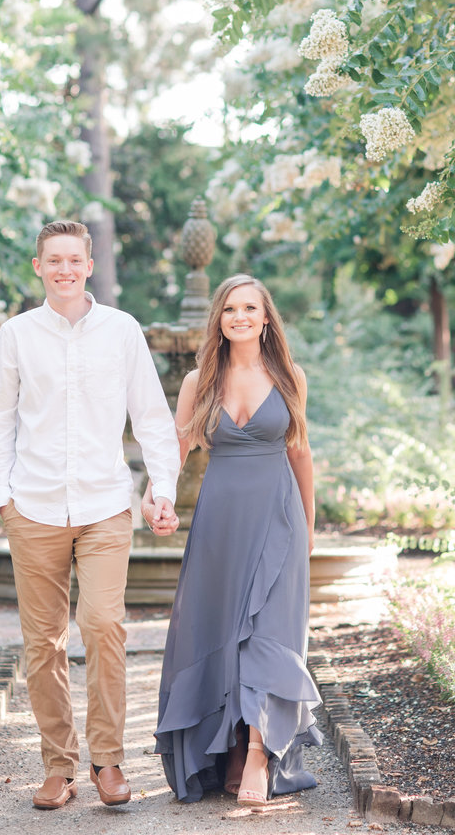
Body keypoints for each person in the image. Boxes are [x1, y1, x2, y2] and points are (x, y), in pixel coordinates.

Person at [0, 219, 180, 812]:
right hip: (33, 506)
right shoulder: (16, 335)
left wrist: (160, 487)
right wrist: (4, 500)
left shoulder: (123, 330)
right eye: (54, 260)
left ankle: (108, 760)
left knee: (102, 626)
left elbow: (150, 416)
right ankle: (58, 766)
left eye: (75, 260)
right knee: (42, 643)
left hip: (104, 505)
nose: (65, 269)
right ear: (38, 267)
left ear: (89, 266)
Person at [147, 273, 321, 810]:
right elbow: (174, 451)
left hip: (277, 515)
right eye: (229, 309)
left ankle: (259, 754)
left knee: (270, 633)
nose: (239, 316)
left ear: (266, 318)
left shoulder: (290, 375)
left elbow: (301, 454)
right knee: (220, 633)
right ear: (218, 320)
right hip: (220, 523)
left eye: (250, 307)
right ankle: (228, 752)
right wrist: (160, 499)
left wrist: (310, 527)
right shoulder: (199, 380)